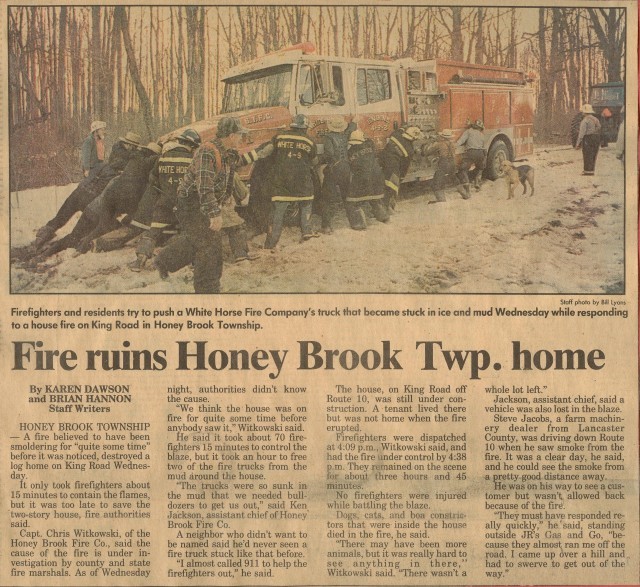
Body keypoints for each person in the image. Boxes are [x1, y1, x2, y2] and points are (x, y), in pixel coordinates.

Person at [153, 118, 251, 293]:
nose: (241, 139)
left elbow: (237, 163)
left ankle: (164, 261)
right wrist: (214, 214)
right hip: (191, 204)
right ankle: (207, 290)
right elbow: (204, 186)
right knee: (209, 245)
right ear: (231, 135)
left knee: (196, 240)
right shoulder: (207, 152)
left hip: (202, 203)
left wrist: (262, 151)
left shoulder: (227, 152)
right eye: (240, 135)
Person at [33, 140, 159, 260]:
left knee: (68, 229)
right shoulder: (129, 182)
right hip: (97, 210)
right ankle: (81, 246)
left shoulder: (113, 170)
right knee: (102, 232)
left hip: (87, 203)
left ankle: (43, 248)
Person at [127, 129, 201, 271]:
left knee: (153, 232)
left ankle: (139, 261)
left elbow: (153, 179)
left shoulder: (163, 157)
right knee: (191, 232)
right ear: (192, 146)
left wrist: (167, 188)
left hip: (164, 202)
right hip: (185, 204)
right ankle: (195, 263)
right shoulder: (193, 161)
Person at [264, 114, 319, 249]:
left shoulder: (279, 137)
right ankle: (306, 231)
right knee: (306, 203)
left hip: (282, 182)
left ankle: (271, 242)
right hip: (302, 182)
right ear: (305, 127)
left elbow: (267, 152)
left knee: (278, 212)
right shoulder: (310, 141)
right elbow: (314, 161)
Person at [344, 129, 389, 230]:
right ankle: (383, 216)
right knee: (375, 198)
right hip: (377, 177)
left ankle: (358, 223)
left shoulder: (350, 151)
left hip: (362, 179)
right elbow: (370, 142)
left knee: (351, 202)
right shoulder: (370, 146)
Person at [319, 116, 355, 234]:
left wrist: (319, 161)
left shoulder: (328, 137)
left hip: (334, 169)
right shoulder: (345, 135)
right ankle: (355, 222)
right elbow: (351, 128)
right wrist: (353, 122)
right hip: (346, 168)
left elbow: (329, 154)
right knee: (347, 196)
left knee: (326, 198)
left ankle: (326, 226)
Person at [380, 125, 423, 209]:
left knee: (384, 185)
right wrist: (401, 178)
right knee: (392, 187)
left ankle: (383, 205)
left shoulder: (396, 135)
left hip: (382, 160)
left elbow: (399, 130)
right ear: (414, 138)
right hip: (393, 167)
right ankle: (387, 207)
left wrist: (404, 127)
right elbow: (404, 167)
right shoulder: (409, 150)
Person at [424, 129, 468, 203]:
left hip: (443, 163)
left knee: (437, 182)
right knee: (454, 178)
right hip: (452, 163)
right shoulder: (452, 144)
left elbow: (427, 152)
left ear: (442, 137)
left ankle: (441, 199)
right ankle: (464, 194)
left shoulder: (439, 144)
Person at [456, 119, 485, 192]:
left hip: (471, 153)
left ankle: (467, 183)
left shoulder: (468, 131)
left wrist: (454, 146)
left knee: (463, 169)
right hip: (480, 153)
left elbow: (460, 141)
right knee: (479, 168)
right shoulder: (481, 134)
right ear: (480, 128)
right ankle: (477, 182)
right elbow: (484, 146)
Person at [575, 104, 602, 176]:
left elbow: (581, 133)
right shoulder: (596, 119)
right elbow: (599, 127)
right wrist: (594, 131)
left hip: (588, 138)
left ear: (584, 112)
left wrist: (577, 144)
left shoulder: (585, 121)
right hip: (596, 138)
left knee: (587, 154)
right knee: (594, 154)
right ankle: (592, 170)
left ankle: (587, 171)